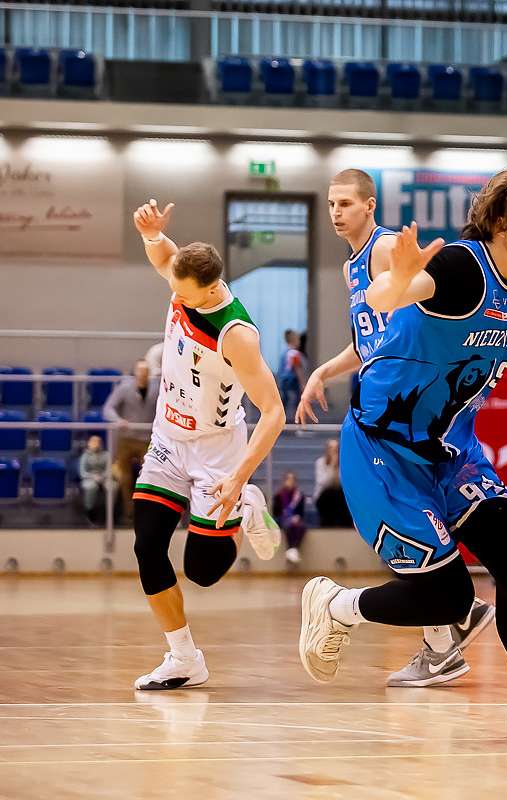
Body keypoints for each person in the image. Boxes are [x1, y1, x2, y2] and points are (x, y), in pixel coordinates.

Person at [298, 168, 507, 740]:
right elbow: (389, 295)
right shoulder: (460, 267)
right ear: (502, 224)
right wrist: (396, 279)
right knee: (450, 597)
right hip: (385, 447)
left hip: (452, 451)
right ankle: (337, 606)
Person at [297, 168, 495, 686]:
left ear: (370, 205)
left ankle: (440, 621)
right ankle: (443, 642)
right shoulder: (351, 266)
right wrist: (324, 371)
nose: (336, 212)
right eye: (331, 203)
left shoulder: (385, 250)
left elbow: (418, 319)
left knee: (405, 521)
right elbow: (367, 340)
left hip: (411, 409)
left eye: (345, 203)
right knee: (407, 528)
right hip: (393, 407)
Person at [129, 199, 284, 690]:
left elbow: (274, 411)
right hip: (168, 439)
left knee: (203, 571)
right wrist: (153, 235)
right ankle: (184, 659)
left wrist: (239, 477)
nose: (174, 297)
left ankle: (248, 503)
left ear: (212, 288)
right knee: (147, 545)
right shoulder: (185, 283)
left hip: (218, 451)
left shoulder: (236, 335)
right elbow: (164, 259)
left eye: (183, 293)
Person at [102, 359, 158, 522]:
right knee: (124, 478)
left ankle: (146, 511)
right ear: (135, 372)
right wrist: (118, 420)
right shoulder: (124, 387)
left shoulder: (156, 389)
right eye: (140, 371)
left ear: (149, 373)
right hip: (126, 438)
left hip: (146, 439)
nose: (142, 374)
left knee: (148, 476)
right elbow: (108, 408)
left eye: (146, 371)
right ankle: (129, 511)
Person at [314, 438, 350, 527]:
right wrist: (333, 468)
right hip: (324, 496)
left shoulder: (343, 462)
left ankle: (345, 526)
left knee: (344, 496)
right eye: (331, 448)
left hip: (339, 495)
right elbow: (323, 481)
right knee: (329, 493)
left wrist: (337, 466)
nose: (334, 451)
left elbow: (344, 482)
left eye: (336, 448)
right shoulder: (320, 462)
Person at [273, 471, 307, 565]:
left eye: (292, 479)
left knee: (298, 525)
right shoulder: (279, 496)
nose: (290, 481)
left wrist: (296, 518)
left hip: (295, 521)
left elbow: (301, 513)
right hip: (282, 520)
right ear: (284, 481)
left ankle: (293, 549)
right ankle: (292, 549)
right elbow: (276, 513)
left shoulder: (299, 496)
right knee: (291, 525)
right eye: (288, 479)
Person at [78, 435, 109, 525]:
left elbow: (108, 470)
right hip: (89, 477)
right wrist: (93, 477)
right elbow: (82, 472)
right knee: (90, 487)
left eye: (98, 442)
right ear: (89, 443)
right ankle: (90, 511)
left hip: (104, 477)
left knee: (112, 486)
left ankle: (109, 512)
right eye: (94, 442)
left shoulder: (106, 455)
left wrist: (102, 477)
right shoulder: (85, 456)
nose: (96, 444)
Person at [277, 330, 307, 416]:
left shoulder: (284, 354)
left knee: (285, 399)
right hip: (293, 379)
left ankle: (280, 416)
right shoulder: (295, 354)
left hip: (284, 379)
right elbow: (297, 369)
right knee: (298, 399)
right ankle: (300, 416)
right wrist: (302, 383)